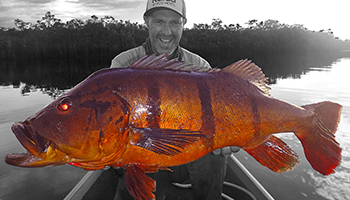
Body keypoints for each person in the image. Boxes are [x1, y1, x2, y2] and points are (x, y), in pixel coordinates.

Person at [110, 0, 239, 199]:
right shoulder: (122, 64)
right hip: (141, 152)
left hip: (187, 154)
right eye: (159, 22)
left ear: (183, 24)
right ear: (147, 22)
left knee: (215, 157)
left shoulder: (199, 65)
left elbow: (216, 114)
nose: (167, 31)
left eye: (175, 23)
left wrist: (233, 134)